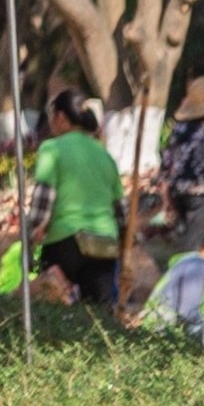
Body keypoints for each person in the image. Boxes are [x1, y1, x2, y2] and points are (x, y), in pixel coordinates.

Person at [27, 112, 128, 319]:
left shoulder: (53, 148)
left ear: (62, 118)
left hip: (66, 241)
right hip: (104, 244)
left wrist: (32, 233)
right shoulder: (105, 156)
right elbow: (121, 211)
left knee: (52, 303)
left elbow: (43, 202)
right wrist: (124, 242)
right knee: (100, 313)